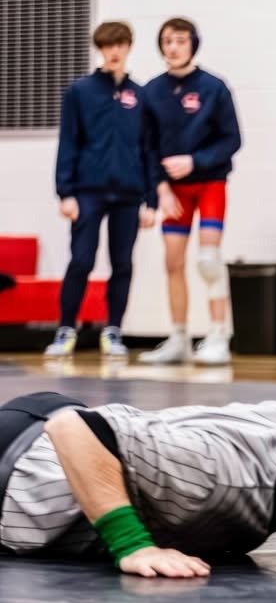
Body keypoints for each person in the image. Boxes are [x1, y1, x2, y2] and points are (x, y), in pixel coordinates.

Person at [0, 391, 276, 577]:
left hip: (41, 423)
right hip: (18, 469)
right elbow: (71, 428)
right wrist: (133, 546)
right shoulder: (218, 483)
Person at [45, 22, 158, 359]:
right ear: (100, 49)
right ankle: (66, 329)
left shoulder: (141, 95)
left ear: (129, 47)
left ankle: (113, 330)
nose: (114, 52)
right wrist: (65, 192)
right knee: (81, 260)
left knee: (122, 263)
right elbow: (69, 141)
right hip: (88, 192)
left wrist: (151, 200)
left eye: (119, 45)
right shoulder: (79, 92)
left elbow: (149, 149)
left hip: (129, 193)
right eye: (108, 46)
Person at [139, 18, 242, 366]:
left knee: (208, 259)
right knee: (173, 261)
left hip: (210, 183)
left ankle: (218, 335)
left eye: (180, 40)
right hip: (174, 191)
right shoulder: (152, 91)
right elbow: (147, 146)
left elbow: (232, 139)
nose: (173, 47)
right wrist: (159, 190)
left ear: (193, 44)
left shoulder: (214, 87)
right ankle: (179, 338)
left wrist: (195, 161)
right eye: (167, 41)